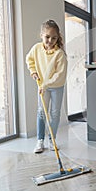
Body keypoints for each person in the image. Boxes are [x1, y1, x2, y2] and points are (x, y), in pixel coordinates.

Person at [26, 19, 67, 153]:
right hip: (42, 86)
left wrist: (46, 83)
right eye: (47, 37)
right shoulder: (37, 48)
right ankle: (40, 141)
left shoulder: (59, 54)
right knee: (41, 112)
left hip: (57, 87)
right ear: (41, 35)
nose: (50, 40)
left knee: (54, 114)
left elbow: (59, 75)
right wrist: (33, 72)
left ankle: (52, 140)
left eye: (54, 38)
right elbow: (29, 59)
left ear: (57, 38)